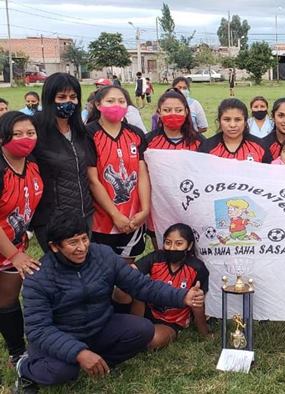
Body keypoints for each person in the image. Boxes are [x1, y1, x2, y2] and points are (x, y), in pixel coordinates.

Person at [14, 215, 204, 391]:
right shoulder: (38, 275)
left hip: (99, 326)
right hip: (62, 334)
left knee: (143, 329)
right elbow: (38, 329)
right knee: (63, 371)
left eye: (84, 239)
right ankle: (24, 366)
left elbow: (140, 285)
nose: (82, 247)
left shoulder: (103, 255)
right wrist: (79, 353)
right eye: (73, 242)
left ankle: (97, 361)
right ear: (55, 246)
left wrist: (182, 296)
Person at [85, 85, 150, 265]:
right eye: (110, 101)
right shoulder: (89, 133)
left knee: (127, 274)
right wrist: (115, 215)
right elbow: (93, 179)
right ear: (98, 105)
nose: (116, 105)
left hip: (133, 219)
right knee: (101, 273)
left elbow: (142, 173)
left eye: (121, 101)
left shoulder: (135, 134)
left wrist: (144, 210)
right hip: (102, 220)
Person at [32, 73, 95, 252]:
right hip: (53, 219)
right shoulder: (35, 129)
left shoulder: (80, 131)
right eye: (61, 97)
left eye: (73, 97)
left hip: (84, 215)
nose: (68, 102)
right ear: (49, 98)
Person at [0, 112, 43, 370]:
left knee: (7, 298)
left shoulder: (34, 164)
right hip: (8, 248)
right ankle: (17, 351)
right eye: (17, 134)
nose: (25, 139)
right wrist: (14, 254)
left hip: (15, 242)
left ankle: (16, 351)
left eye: (30, 133)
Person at [132, 223, 209, 350]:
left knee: (152, 341)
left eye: (179, 244)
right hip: (148, 310)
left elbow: (198, 303)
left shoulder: (197, 268)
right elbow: (130, 272)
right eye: (168, 243)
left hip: (173, 320)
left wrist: (204, 332)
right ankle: (133, 325)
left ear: (189, 246)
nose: (172, 248)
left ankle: (137, 333)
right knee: (134, 286)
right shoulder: (156, 257)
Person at [199, 98, 270, 162]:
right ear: (219, 121)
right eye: (227, 120)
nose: (232, 125)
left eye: (238, 120)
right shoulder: (207, 147)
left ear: (245, 122)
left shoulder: (260, 146)